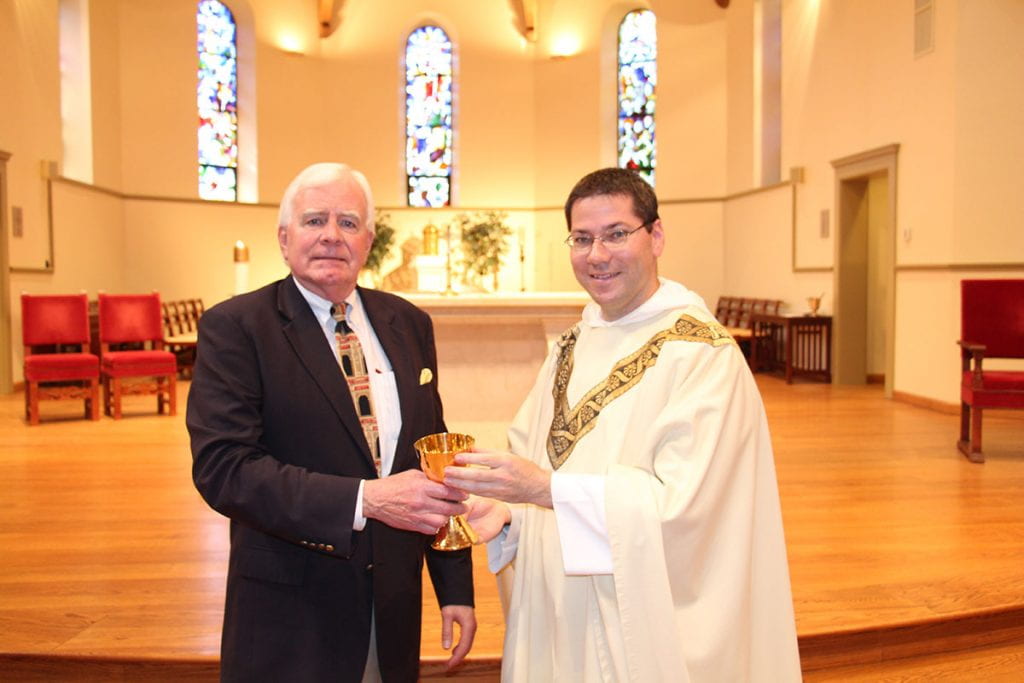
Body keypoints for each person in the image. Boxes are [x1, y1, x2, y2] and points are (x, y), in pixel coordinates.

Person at [444, 168, 801, 682]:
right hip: (561, 609)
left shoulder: (701, 355)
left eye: (616, 234)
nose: (597, 255)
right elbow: (538, 478)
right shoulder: (569, 345)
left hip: (645, 629)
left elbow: (688, 511)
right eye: (582, 239)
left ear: (655, 236)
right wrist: (506, 515)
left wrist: (547, 492)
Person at [187, 162, 476, 682]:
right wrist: (365, 500)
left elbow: (436, 459)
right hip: (289, 611)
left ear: (368, 241)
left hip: (392, 602)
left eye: (347, 223)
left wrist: (454, 587)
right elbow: (224, 469)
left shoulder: (407, 323)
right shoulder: (237, 327)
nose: (330, 236)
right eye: (314, 219)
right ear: (283, 237)